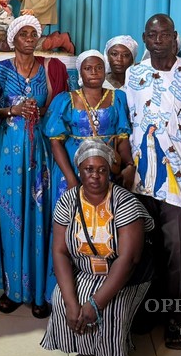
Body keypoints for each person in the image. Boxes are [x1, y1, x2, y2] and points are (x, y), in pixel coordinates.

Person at [123, 13, 181, 349]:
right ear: (145, 39)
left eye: (165, 34)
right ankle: (147, 312)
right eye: (152, 34)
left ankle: (177, 319)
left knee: (178, 253)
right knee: (143, 249)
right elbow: (128, 126)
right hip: (140, 181)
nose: (159, 39)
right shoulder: (134, 75)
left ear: (175, 37)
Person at [40, 139, 154, 356]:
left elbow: (129, 259)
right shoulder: (67, 201)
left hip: (122, 273)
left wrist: (96, 303)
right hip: (84, 269)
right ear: (79, 170)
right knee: (62, 300)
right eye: (89, 169)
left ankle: (108, 351)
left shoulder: (125, 203)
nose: (95, 176)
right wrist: (73, 304)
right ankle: (80, 343)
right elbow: (60, 252)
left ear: (109, 172)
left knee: (112, 307)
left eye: (102, 170)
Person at [0, 15, 68, 318]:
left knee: (40, 214)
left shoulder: (49, 67)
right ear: (13, 39)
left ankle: (39, 292)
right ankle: (12, 289)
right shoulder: (0, 69)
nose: (30, 38)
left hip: (40, 149)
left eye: (35, 33)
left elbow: (57, 105)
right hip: (8, 150)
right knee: (11, 215)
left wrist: (41, 110)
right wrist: (12, 109)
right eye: (24, 33)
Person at [44, 49, 134, 303]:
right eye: (87, 68)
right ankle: (62, 293)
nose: (93, 73)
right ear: (79, 72)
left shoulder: (117, 98)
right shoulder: (65, 99)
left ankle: (101, 293)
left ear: (104, 71)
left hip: (106, 173)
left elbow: (122, 137)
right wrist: (72, 179)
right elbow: (55, 142)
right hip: (70, 174)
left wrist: (129, 165)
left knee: (104, 228)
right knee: (70, 230)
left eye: (98, 68)